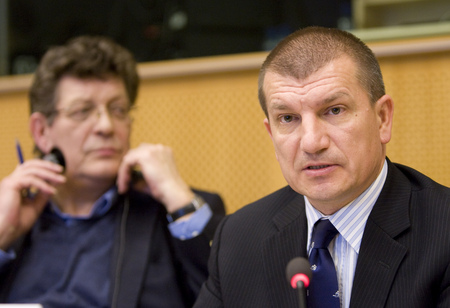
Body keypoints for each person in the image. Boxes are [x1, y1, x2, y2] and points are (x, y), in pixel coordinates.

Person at [193, 26, 450, 308]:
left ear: (382, 119)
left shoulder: (443, 232)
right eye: (288, 118)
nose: (312, 143)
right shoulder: (239, 238)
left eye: (334, 110)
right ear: (271, 134)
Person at [0, 36, 225, 308]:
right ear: (41, 131)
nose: (106, 126)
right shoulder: (12, 220)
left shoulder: (171, 215)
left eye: (118, 110)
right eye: (83, 111)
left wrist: (178, 198)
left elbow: (233, 296)